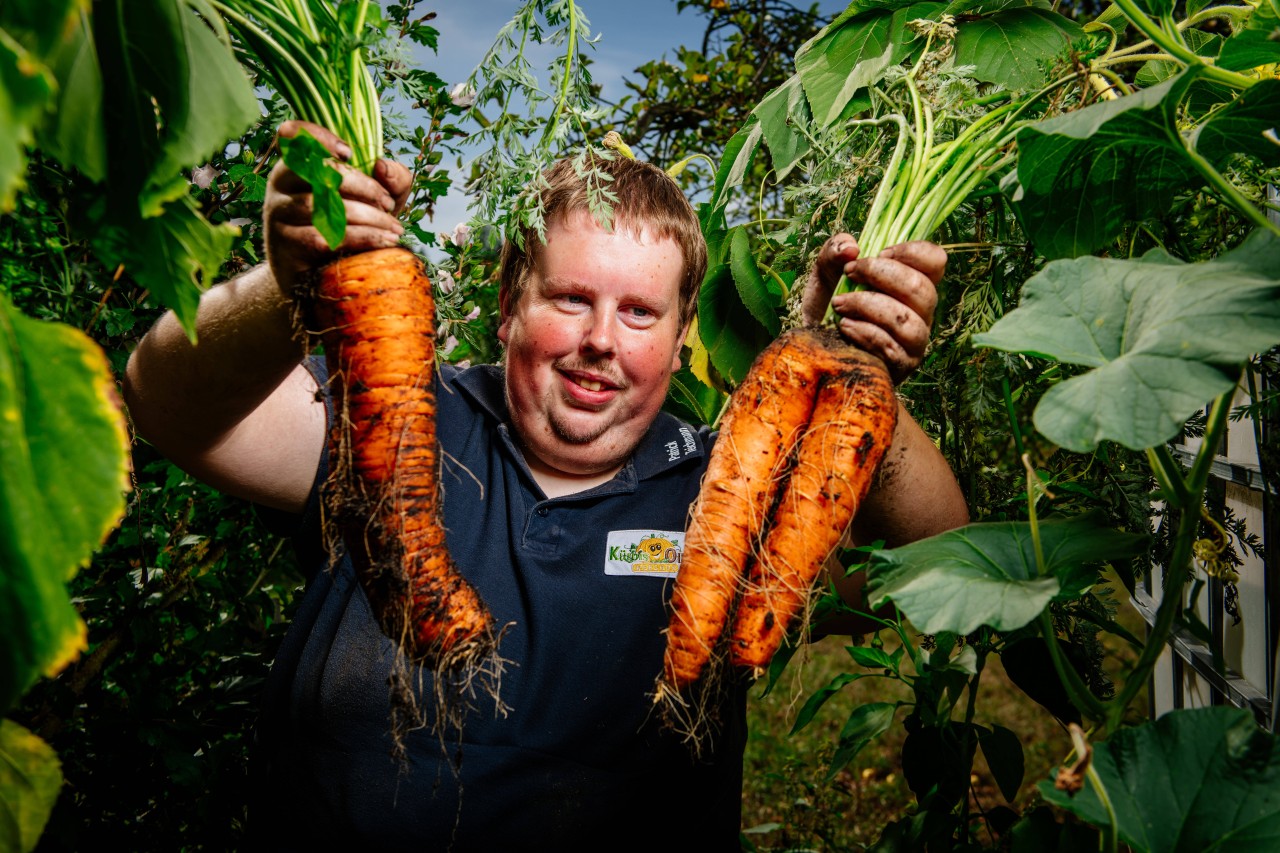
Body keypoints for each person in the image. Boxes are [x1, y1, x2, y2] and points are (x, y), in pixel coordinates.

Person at [122, 120, 968, 850]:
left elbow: (936, 565)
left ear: (680, 342)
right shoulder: (396, 411)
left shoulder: (728, 485)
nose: (602, 339)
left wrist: (864, 385)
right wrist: (288, 284)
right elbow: (174, 408)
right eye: (569, 298)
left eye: (639, 312)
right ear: (507, 307)